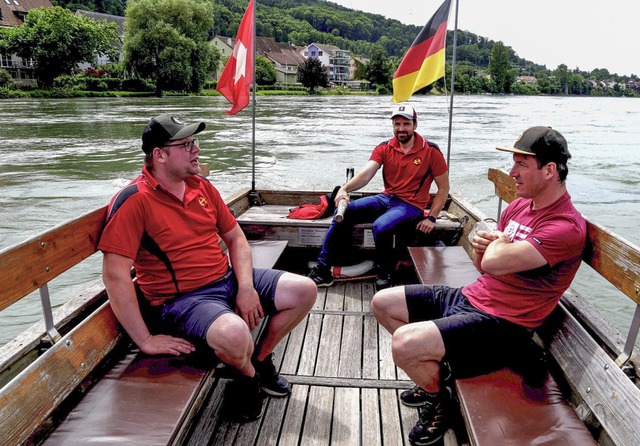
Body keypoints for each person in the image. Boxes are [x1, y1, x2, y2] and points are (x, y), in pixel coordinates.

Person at [371, 126, 587, 445]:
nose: (511, 173)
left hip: (504, 325)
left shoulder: (565, 227)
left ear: (550, 170)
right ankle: (435, 374)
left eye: (521, 165)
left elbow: (495, 261)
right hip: (474, 297)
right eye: (513, 164)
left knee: (405, 343)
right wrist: (494, 246)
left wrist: (495, 245)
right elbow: (483, 264)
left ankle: (439, 400)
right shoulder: (518, 207)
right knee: (383, 303)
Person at [98, 113, 317, 421]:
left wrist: (245, 287)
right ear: (159, 155)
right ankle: (248, 377)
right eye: (185, 144)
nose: (195, 150)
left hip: (224, 279)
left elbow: (236, 239)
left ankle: (261, 357)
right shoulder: (134, 201)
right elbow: (115, 275)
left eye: (195, 142)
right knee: (234, 335)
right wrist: (145, 340)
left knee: (304, 290)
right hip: (182, 301)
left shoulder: (200, 186)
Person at [308, 104, 450, 289]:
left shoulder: (431, 150)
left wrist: (431, 217)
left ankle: (385, 271)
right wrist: (344, 189)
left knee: (381, 227)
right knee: (345, 211)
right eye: (397, 123)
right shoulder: (385, 147)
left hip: (411, 205)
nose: (401, 128)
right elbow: (366, 174)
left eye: (406, 123)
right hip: (386, 198)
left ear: (415, 125)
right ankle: (323, 269)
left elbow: (443, 188)